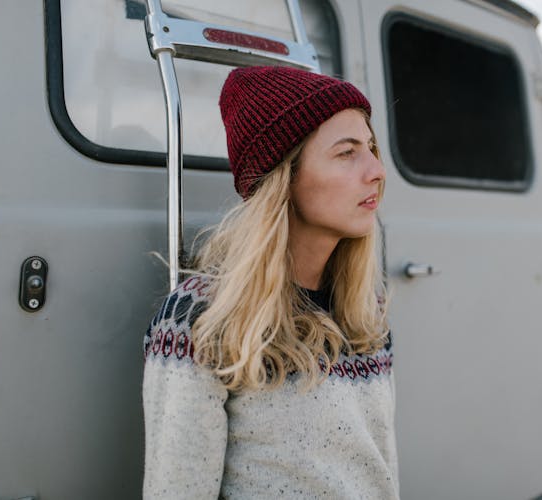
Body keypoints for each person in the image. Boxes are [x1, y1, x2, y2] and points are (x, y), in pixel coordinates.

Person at [142, 65, 398, 499]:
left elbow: (382, 476)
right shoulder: (203, 318)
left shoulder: (363, 313)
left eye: (371, 148)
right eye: (347, 152)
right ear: (285, 177)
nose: (376, 170)